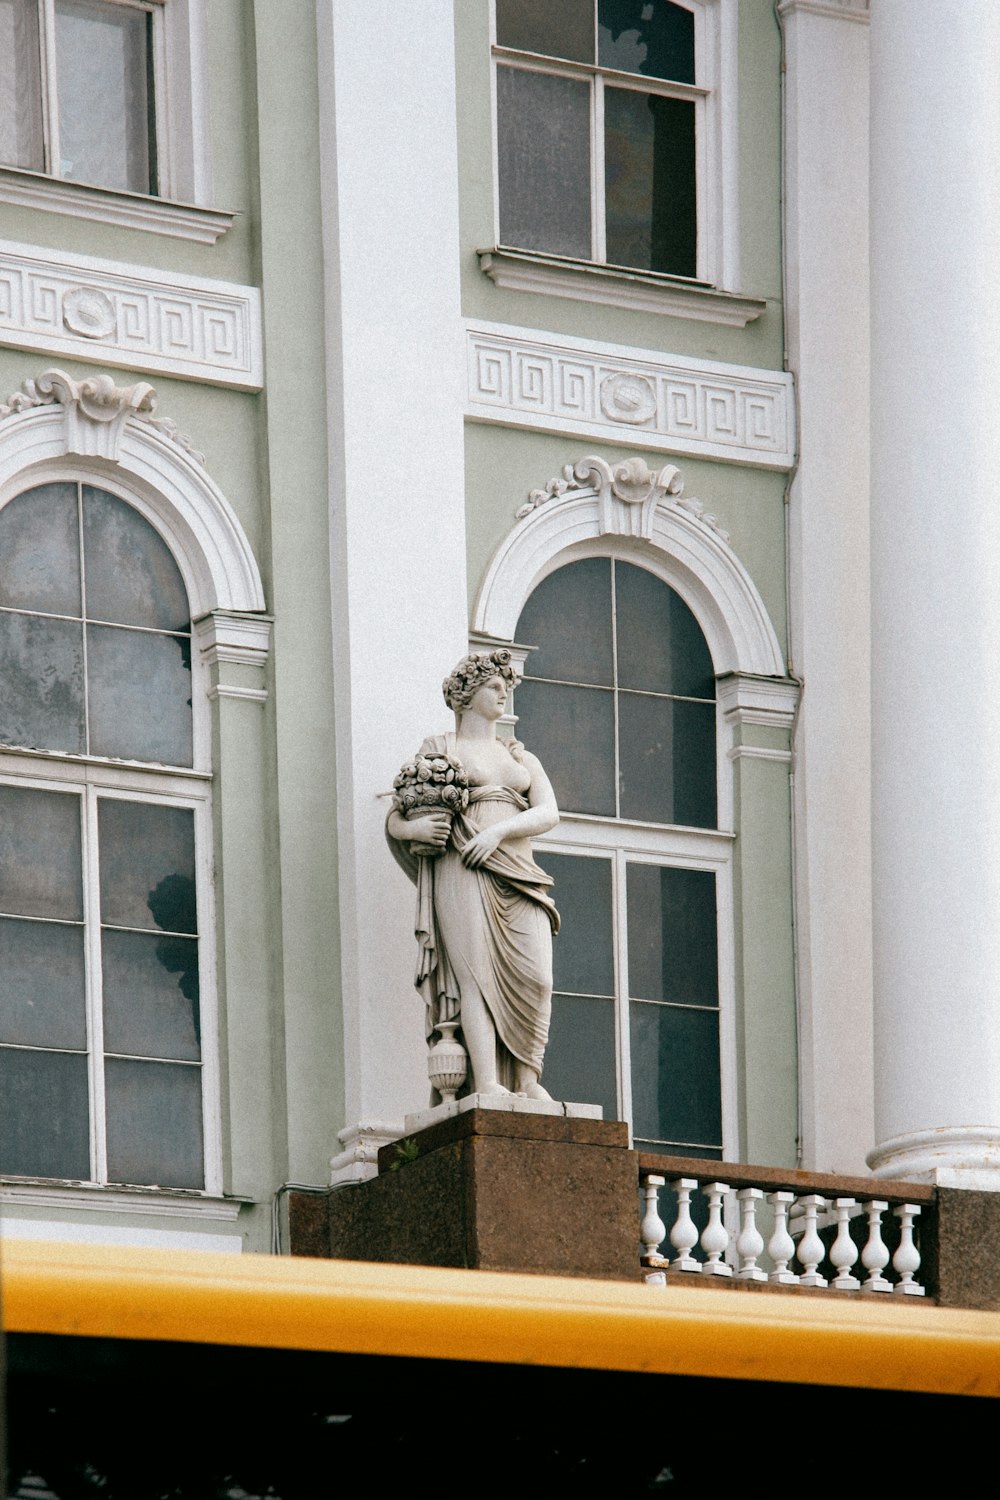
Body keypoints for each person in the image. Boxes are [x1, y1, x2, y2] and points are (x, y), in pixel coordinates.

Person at [387, 649, 560, 1098]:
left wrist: (499, 832)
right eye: (494, 686)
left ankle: (527, 1077)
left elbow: (548, 812)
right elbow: (396, 818)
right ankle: (488, 1083)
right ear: (467, 695)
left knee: (538, 977)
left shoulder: (521, 755)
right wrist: (416, 827)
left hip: (518, 869)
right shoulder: (439, 751)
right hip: (462, 867)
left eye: (506, 687)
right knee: (475, 977)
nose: (503, 693)